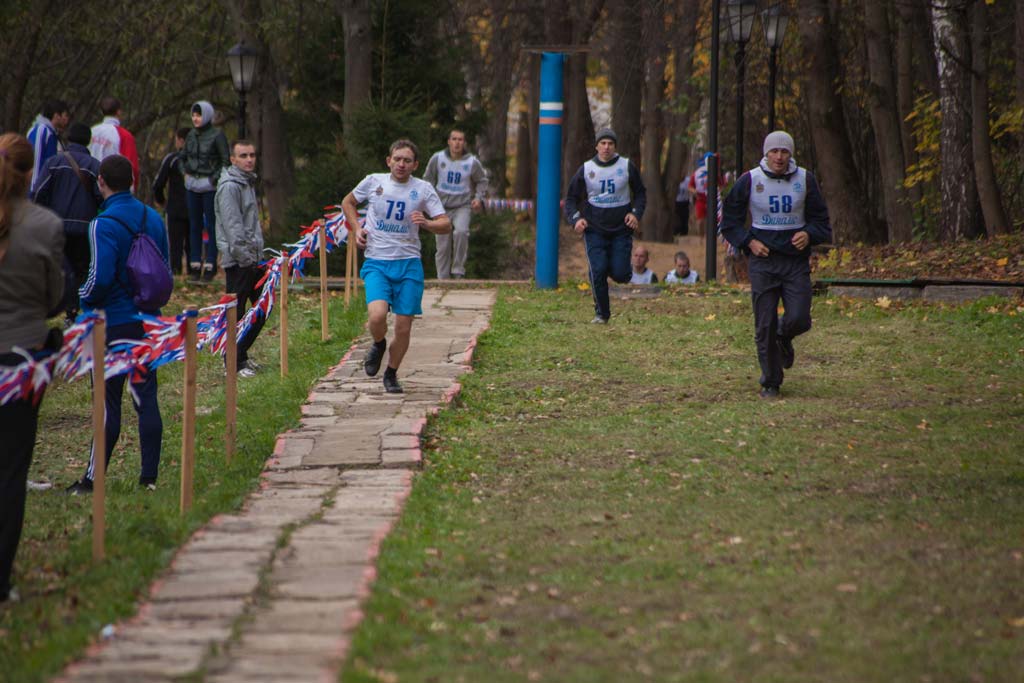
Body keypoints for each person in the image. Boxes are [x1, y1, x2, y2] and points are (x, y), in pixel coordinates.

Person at [66, 154, 170, 494]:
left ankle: (92, 480)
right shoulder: (153, 217)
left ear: (101, 183)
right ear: (133, 182)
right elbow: (164, 268)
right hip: (148, 321)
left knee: (107, 404)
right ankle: (149, 478)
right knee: (146, 398)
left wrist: (79, 298)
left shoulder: (102, 224)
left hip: (112, 324)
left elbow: (99, 278)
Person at [0, 134, 65, 603]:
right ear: (29, 175)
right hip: (21, 360)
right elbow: (53, 297)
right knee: (11, 469)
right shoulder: (44, 225)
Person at [719, 130, 832, 399]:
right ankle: (771, 381)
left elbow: (822, 222)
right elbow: (729, 222)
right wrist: (749, 242)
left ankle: (784, 335)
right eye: (774, 151)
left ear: (790, 154)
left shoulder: (805, 179)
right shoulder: (749, 180)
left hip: (794, 261)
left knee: (800, 318)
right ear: (766, 154)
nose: (779, 157)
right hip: (763, 262)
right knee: (764, 323)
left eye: (784, 152)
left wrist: (809, 234)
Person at [341, 139, 450, 394]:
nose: (401, 164)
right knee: (377, 316)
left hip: (408, 264)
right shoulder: (374, 181)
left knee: (403, 327)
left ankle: (391, 373)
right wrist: (357, 228)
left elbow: (445, 224)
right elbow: (348, 202)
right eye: (397, 159)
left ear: (415, 165)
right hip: (377, 261)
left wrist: (427, 223)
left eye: (407, 160)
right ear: (388, 160)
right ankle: (378, 343)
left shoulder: (422, 189)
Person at [564, 128, 646, 323]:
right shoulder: (586, 169)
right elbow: (570, 199)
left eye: (610, 143)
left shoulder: (626, 166)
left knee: (621, 274)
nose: (606, 147)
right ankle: (602, 314)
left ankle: (602, 267)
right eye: (603, 143)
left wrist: (635, 214)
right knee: (598, 270)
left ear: (615, 147)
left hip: (621, 229)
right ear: (597, 146)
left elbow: (640, 193)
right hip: (594, 229)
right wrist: (576, 219)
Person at [30, 122, 103, 323]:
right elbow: (101, 197)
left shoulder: (53, 162)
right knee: (80, 270)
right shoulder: (94, 166)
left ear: (69, 139)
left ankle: (48, 306)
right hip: (84, 228)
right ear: (88, 141)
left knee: (57, 268)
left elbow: (39, 192)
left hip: (57, 226)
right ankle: (72, 312)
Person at [215, 139, 264, 378]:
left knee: (261, 308)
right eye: (243, 156)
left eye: (252, 155)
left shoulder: (246, 183)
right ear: (233, 159)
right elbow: (233, 227)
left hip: (253, 259)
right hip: (239, 260)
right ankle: (232, 363)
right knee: (237, 313)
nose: (249, 159)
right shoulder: (230, 187)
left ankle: (241, 355)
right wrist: (246, 258)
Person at [422, 129, 488, 279]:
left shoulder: (471, 162)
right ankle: (442, 277)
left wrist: (478, 198)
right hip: (441, 207)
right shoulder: (437, 158)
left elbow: (482, 181)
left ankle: (458, 271)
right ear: (449, 142)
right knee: (443, 244)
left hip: (462, 206)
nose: (457, 143)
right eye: (454, 139)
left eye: (460, 139)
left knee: (461, 232)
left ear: (464, 143)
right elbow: (427, 180)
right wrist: (429, 201)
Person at [183, 100, 230, 282]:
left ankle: (211, 263)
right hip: (192, 185)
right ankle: (194, 264)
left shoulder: (217, 135)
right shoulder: (191, 135)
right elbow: (182, 157)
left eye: (199, 115)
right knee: (194, 224)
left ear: (207, 115)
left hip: (210, 186)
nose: (196, 118)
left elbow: (225, 160)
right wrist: (185, 172)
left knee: (211, 224)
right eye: (194, 115)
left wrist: (214, 178)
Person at [152, 128, 191, 275]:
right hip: (195, 209)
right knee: (193, 244)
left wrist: (161, 201)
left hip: (175, 208)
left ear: (180, 140)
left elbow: (158, 184)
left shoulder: (172, 159)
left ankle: (175, 272)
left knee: (175, 244)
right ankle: (194, 271)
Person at [89, 96, 139, 186]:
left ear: (102, 112)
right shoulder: (124, 135)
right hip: (112, 188)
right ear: (119, 112)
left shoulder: (92, 131)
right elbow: (131, 167)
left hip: (89, 184)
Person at [26, 99, 70, 188]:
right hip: (37, 189)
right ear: (56, 116)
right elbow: (36, 162)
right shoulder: (42, 130)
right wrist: (34, 190)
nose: (67, 119)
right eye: (65, 115)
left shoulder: (52, 133)